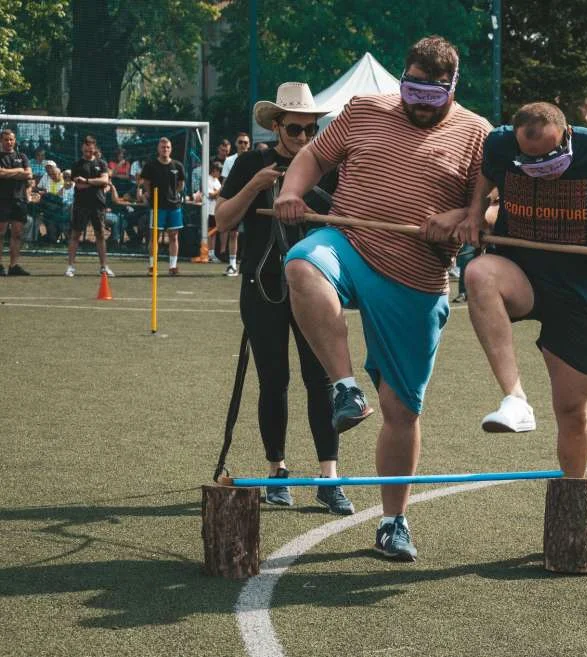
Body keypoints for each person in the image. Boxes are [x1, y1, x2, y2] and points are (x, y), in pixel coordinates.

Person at [274, 36, 492, 561]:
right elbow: (313, 156)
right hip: (348, 242)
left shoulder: (479, 134)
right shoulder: (366, 109)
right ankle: (345, 389)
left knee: (401, 410)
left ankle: (394, 523)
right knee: (302, 262)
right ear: (402, 78)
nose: (419, 101)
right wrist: (291, 192)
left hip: (416, 279)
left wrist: (464, 219)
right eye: (412, 88)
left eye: (432, 94)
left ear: (452, 88)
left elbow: (490, 212)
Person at [448, 101, 587, 481]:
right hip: (520, 274)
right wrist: (475, 214)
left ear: (566, 135)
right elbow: (487, 176)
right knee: (479, 273)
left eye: (548, 155)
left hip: (579, 292)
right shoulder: (499, 143)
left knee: (572, 409)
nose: (539, 164)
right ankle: (515, 400)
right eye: (529, 158)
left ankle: (574, 494)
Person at [215, 82, 354, 513]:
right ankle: (277, 470)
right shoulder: (251, 162)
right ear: (276, 125)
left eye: (311, 130)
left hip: (315, 286)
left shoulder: (326, 165)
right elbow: (222, 220)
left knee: (324, 382)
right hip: (263, 287)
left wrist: (313, 195)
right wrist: (255, 186)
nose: (303, 138)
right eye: (295, 129)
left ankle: (328, 478)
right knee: (273, 381)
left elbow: (348, 219)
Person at [65, 135, 113, 278]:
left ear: (94, 148)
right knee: (75, 234)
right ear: (82, 148)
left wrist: (87, 181)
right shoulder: (77, 165)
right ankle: (71, 266)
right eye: (86, 149)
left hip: (98, 204)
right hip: (81, 204)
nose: (88, 152)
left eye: (91, 150)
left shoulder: (102, 163)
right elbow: (78, 185)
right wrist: (95, 183)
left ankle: (104, 266)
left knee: (100, 235)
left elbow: (105, 180)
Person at [139, 137, 185, 275]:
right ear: (158, 149)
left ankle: (173, 266)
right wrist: (149, 194)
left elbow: (181, 184)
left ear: (171, 149)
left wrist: (174, 194)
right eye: (163, 147)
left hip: (174, 206)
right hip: (157, 206)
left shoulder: (178, 166)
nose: (165, 149)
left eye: (168, 147)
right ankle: (152, 266)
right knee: (155, 236)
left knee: (174, 236)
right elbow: (145, 182)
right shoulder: (151, 165)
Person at [0, 129, 33, 276]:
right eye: (6, 139)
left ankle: (13, 266)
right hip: (2, 200)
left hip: (19, 200)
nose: (9, 142)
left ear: (15, 140)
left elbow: (28, 174)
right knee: (0, 233)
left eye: (11, 139)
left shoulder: (22, 156)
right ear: (1, 141)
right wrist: (18, 171)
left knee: (17, 234)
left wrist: (7, 173)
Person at [221, 132, 250, 275]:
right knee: (233, 234)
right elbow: (226, 183)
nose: (243, 145)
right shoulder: (229, 161)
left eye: (245, 142)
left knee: (253, 233)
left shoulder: (254, 159)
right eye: (240, 142)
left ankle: (251, 263)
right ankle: (232, 264)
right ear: (236, 144)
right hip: (235, 201)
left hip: (251, 201)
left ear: (249, 145)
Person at [205, 160, 223, 262]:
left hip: (215, 210)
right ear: (214, 170)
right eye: (218, 171)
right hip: (208, 210)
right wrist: (221, 190)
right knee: (209, 232)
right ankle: (208, 253)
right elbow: (211, 195)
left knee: (213, 232)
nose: (219, 173)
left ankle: (212, 254)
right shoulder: (208, 179)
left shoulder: (217, 181)